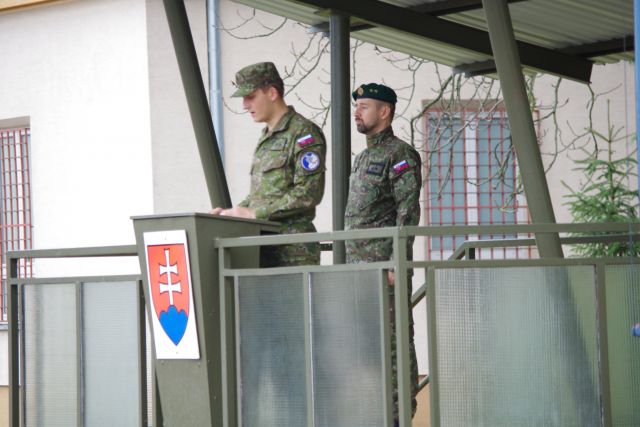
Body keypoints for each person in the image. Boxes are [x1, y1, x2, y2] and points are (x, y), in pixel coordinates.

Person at [344, 83, 421, 423]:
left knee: (393, 346)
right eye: (356, 106)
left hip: (384, 272)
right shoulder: (363, 157)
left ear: (385, 111)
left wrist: (395, 263)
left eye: (364, 106)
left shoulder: (400, 154)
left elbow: (408, 213)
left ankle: (398, 416)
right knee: (365, 349)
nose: (357, 112)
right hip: (358, 273)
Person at [211, 62, 326, 267]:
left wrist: (255, 214)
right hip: (263, 249)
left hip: (293, 253)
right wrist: (231, 214)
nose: (245, 105)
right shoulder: (267, 136)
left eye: (251, 97)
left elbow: (309, 192)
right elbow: (263, 194)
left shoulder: (303, 134)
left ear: (272, 93)